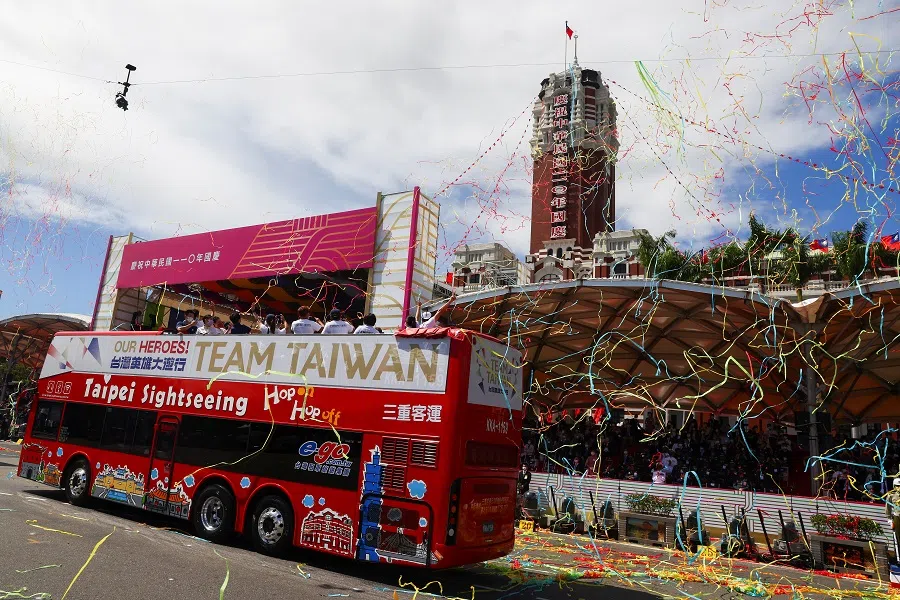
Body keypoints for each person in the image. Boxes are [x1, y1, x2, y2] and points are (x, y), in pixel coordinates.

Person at [887, 478, 900, 557]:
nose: (898, 487)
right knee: (898, 538)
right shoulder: (891, 495)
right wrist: (889, 520)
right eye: (897, 486)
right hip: (897, 517)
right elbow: (887, 508)